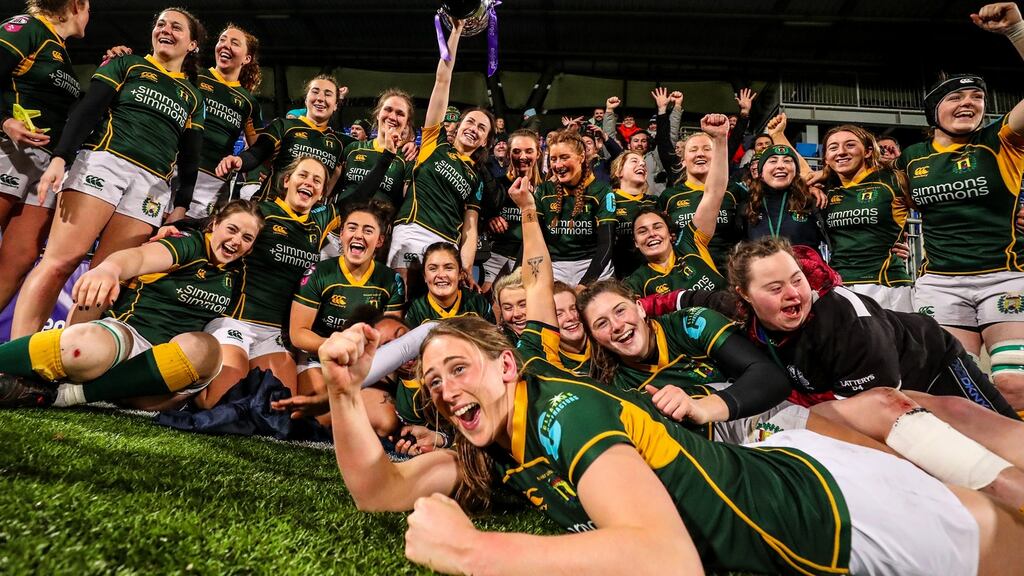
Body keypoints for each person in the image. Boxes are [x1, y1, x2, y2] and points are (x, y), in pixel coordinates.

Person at [320, 181, 1024, 575]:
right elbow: (379, 488)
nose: (442, 388)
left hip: (813, 487)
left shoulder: (578, 397)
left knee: (918, 428)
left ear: (507, 361)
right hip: (765, 464)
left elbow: (666, 557)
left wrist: (474, 550)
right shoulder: (516, 431)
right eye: (433, 380)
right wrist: (345, 394)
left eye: (456, 369)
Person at [12, 7, 206, 339]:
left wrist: (181, 205)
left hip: (152, 188)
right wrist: (60, 158)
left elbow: (191, 158)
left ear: (192, 45)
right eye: (160, 24)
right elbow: (87, 112)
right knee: (59, 262)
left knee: (103, 278)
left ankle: (62, 365)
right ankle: (15, 359)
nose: (166, 30)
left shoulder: (193, 96)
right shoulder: (126, 64)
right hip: (104, 163)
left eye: (176, 27)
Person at [0, 199, 262, 410]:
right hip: (128, 340)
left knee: (207, 349)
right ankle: (56, 386)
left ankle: (68, 395)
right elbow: (138, 258)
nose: (236, 241)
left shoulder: (239, 272)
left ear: (251, 248)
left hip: (166, 370)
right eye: (232, 229)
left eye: (247, 238)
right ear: (214, 224)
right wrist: (111, 269)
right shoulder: (189, 244)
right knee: (82, 347)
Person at [724, 236, 1019, 420]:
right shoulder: (738, 314)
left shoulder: (848, 321)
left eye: (797, 279)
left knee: (996, 429)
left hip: (932, 364)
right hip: (873, 389)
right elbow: (695, 299)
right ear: (745, 295)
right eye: (775, 287)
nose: (792, 293)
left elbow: (879, 409)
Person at [894, 3, 1024, 409]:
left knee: (1012, 382)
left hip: (1004, 277)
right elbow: (893, 205)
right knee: (952, 388)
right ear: (934, 110)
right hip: (941, 284)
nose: (969, 102)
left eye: (977, 96)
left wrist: (1017, 31)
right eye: (956, 96)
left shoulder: (1002, 139)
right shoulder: (911, 157)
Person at [196, 156, 339, 408]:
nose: (309, 183)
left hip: (275, 334)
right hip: (236, 321)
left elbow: (357, 195)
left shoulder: (318, 224)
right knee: (218, 402)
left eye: (317, 181)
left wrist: (386, 153)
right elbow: (217, 229)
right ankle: (188, 383)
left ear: (321, 195)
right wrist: (173, 227)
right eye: (303, 175)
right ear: (287, 181)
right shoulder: (262, 211)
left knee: (278, 408)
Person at [0, 0, 90, 313]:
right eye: (89, 8)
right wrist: (4, 120)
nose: (89, 17)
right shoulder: (28, 27)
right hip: (8, 150)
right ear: (77, 5)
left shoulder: (60, 51)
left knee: (22, 256)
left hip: (44, 165)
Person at [389, 20, 492, 285]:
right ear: (457, 127)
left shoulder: (476, 177)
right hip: (411, 232)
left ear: (485, 142)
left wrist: (466, 266)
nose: (474, 129)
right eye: (470, 122)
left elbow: (470, 228)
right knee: (403, 301)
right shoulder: (434, 143)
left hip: (447, 245)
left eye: (482, 128)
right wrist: (456, 33)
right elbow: (442, 80)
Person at [287, 201, 403, 432]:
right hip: (318, 358)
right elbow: (297, 334)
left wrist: (361, 356)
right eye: (352, 228)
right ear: (341, 235)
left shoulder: (390, 280)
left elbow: (391, 339)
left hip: (363, 363)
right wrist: (337, 346)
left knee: (385, 422)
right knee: (321, 417)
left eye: (368, 231)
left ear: (379, 241)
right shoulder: (319, 272)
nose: (358, 235)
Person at [625, 114, 731, 297]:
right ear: (635, 242)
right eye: (642, 231)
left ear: (670, 232)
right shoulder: (637, 282)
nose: (651, 233)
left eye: (658, 226)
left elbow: (714, 193)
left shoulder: (691, 243)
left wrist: (720, 139)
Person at [821, 124, 913, 311]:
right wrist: (778, 134)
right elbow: (798, 171)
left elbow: (934, 209)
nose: (841, 152)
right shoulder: (827, 188)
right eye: (833, 147)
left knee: (891, 341)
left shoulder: (893, 179)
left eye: (850, 145)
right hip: (840, 285)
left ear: (868, 151)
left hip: (887, 284)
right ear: (826, 158)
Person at [216, 73, 348, 202]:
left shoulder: (341, 143)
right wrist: (239, 160)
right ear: (306, 99)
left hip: (307, 217)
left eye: (328, 94)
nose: (320, 98)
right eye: (315, 92)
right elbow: (257, 152)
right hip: (270, 205)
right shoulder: (283, 126)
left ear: (336, 104)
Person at [187, 23, 262, 218]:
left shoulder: (249, 102)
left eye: (234, 43)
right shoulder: (194, 77)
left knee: (188, 240)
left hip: (212, 182)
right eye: (222, 40)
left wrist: (264, 171)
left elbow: (259, 148)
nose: (225, 45)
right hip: (175, 168)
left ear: (247, 58)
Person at [536, 130, 616, 288]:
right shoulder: (543, 191)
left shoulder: (602, 191)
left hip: (594, 265)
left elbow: (606, 245)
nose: (558, 165)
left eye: (565, 157)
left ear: (581, 157)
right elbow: (532, 240)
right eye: (553, 159)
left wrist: (584, 285)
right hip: (554, 266)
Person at [738, 142, 829, 256]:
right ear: (760, 173)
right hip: (762, 272)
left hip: (803, 273)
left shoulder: (812, 201)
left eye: (787, 161)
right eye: (773, 161)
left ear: (796, 172)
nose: (781, 166)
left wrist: (823, 175)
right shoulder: (748, 204)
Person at [480, 129, 541, 292]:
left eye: (529, 151)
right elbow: (478, 214)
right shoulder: (496, 184)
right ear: (508, 154)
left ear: (538, 154)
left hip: (532, 257)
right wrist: (489, 219)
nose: (522, 157)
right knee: (488, 296)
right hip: (496, 254)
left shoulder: (546, 190)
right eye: (516, 151)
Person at [337, 89, 415, 207]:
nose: (393, 117)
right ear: (378, 114)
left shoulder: (407, 158)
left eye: (400, 113)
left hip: (379, 223)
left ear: (407, 123)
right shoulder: (352, 149)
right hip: (344, 219)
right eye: (388, 109)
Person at [406, 242, 494, 327]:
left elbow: (494, 340)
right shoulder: (417, 310)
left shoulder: (477, 303)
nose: (441, 275)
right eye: (433, 269)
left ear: (460, 274)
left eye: (449, 268)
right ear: (424, 276)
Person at [608, 150, 655, 278]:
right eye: (634, 161)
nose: (642, 165)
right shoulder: (609, 200)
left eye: (644, 164)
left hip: (650, 274)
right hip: (617, 275)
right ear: (619, 172)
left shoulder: (654, 202)